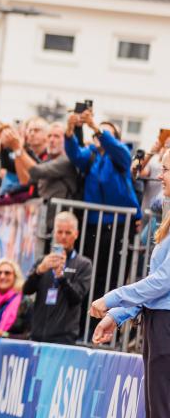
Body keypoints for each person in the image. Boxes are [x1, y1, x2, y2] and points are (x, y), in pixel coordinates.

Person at [92, 147, 170, 418]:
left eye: (169, 169)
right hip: (158, 322)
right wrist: (117, 315)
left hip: (168, 326)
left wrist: (112, 298)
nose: (162, 176)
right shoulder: (168, 220)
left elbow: (162, 284)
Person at [65, 107, 140, 301]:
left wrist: (95, 127)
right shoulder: (91, 155)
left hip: (119, 225)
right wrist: (70, 129)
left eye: (106, 133)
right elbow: (74, 154)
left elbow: (120, 151)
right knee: (91, 271)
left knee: (111, 276)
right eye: (98, 131)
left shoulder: (121, 156)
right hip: (93, 224)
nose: (99, 134)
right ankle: (85, 322)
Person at [22, 211, 93, 344]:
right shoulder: (43, 261)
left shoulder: (83, 264)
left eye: (68, 233)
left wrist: (61, 278)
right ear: (54, 233)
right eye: (59, 232)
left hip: (63, 337)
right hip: (37, 334)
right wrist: (39, 271)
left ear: (76, 234)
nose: (63, 237)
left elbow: (77, 298)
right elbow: (26, 290)